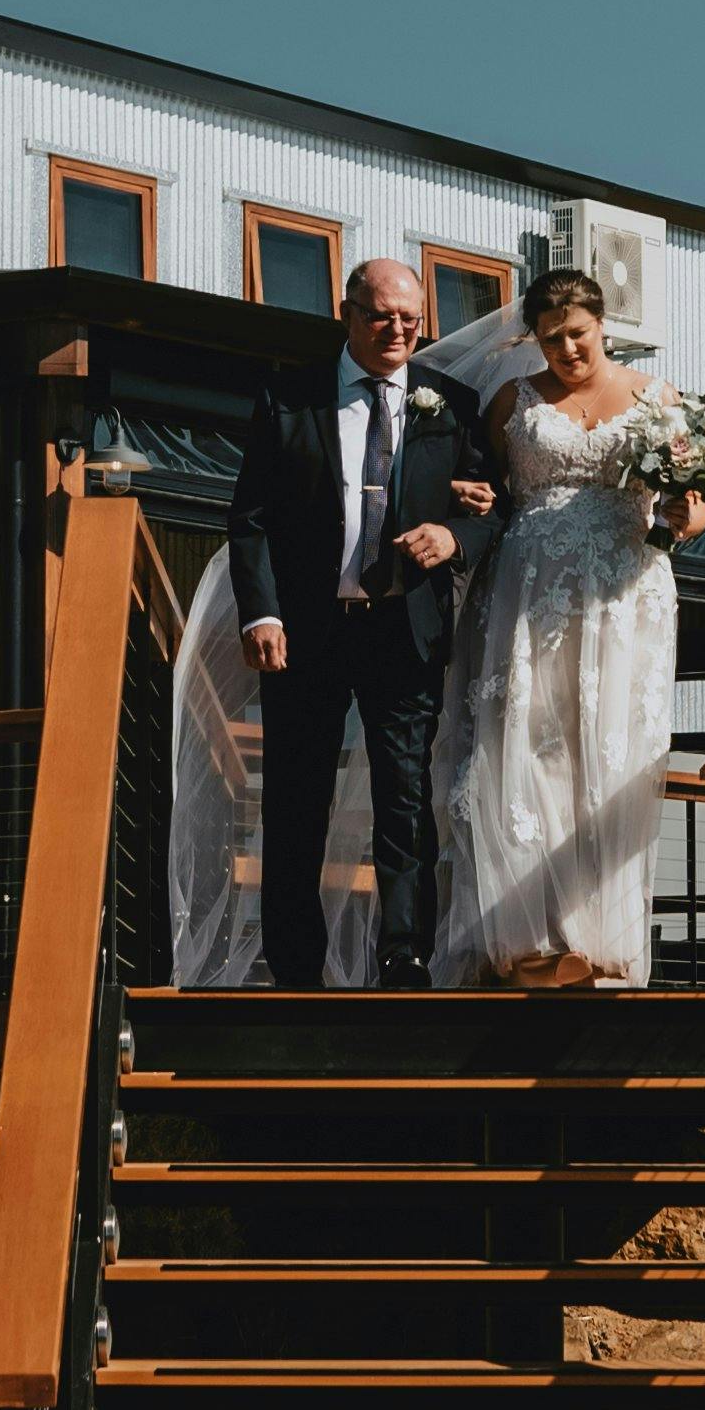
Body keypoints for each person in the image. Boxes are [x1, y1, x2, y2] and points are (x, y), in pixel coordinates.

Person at [436, 265, 705, 989]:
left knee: (611, 751)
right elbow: (475, 488)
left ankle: (597, 938)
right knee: (530, 744)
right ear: (533, 337)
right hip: (528, 598)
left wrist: (692, 517)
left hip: (624, 598)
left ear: (602, 325)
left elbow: (693, 501)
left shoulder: (657, 401)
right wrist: (462, 496)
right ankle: (526, 936)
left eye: (579, 334)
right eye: (552, 338)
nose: (568, 350)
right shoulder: (510, 401)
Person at [218, 258, 483, 987]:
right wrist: (262, 611)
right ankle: (295, 964)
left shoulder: (450, 405)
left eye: (411, 317)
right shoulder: (290, 396)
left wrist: (456, 536)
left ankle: (404, 957)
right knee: (297, 798)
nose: (398, 329)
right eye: (381, 315)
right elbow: (251, 519)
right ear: (347, 312)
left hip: (405, 632)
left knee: (404, 800)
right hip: (307, 631)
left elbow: (494, 510)